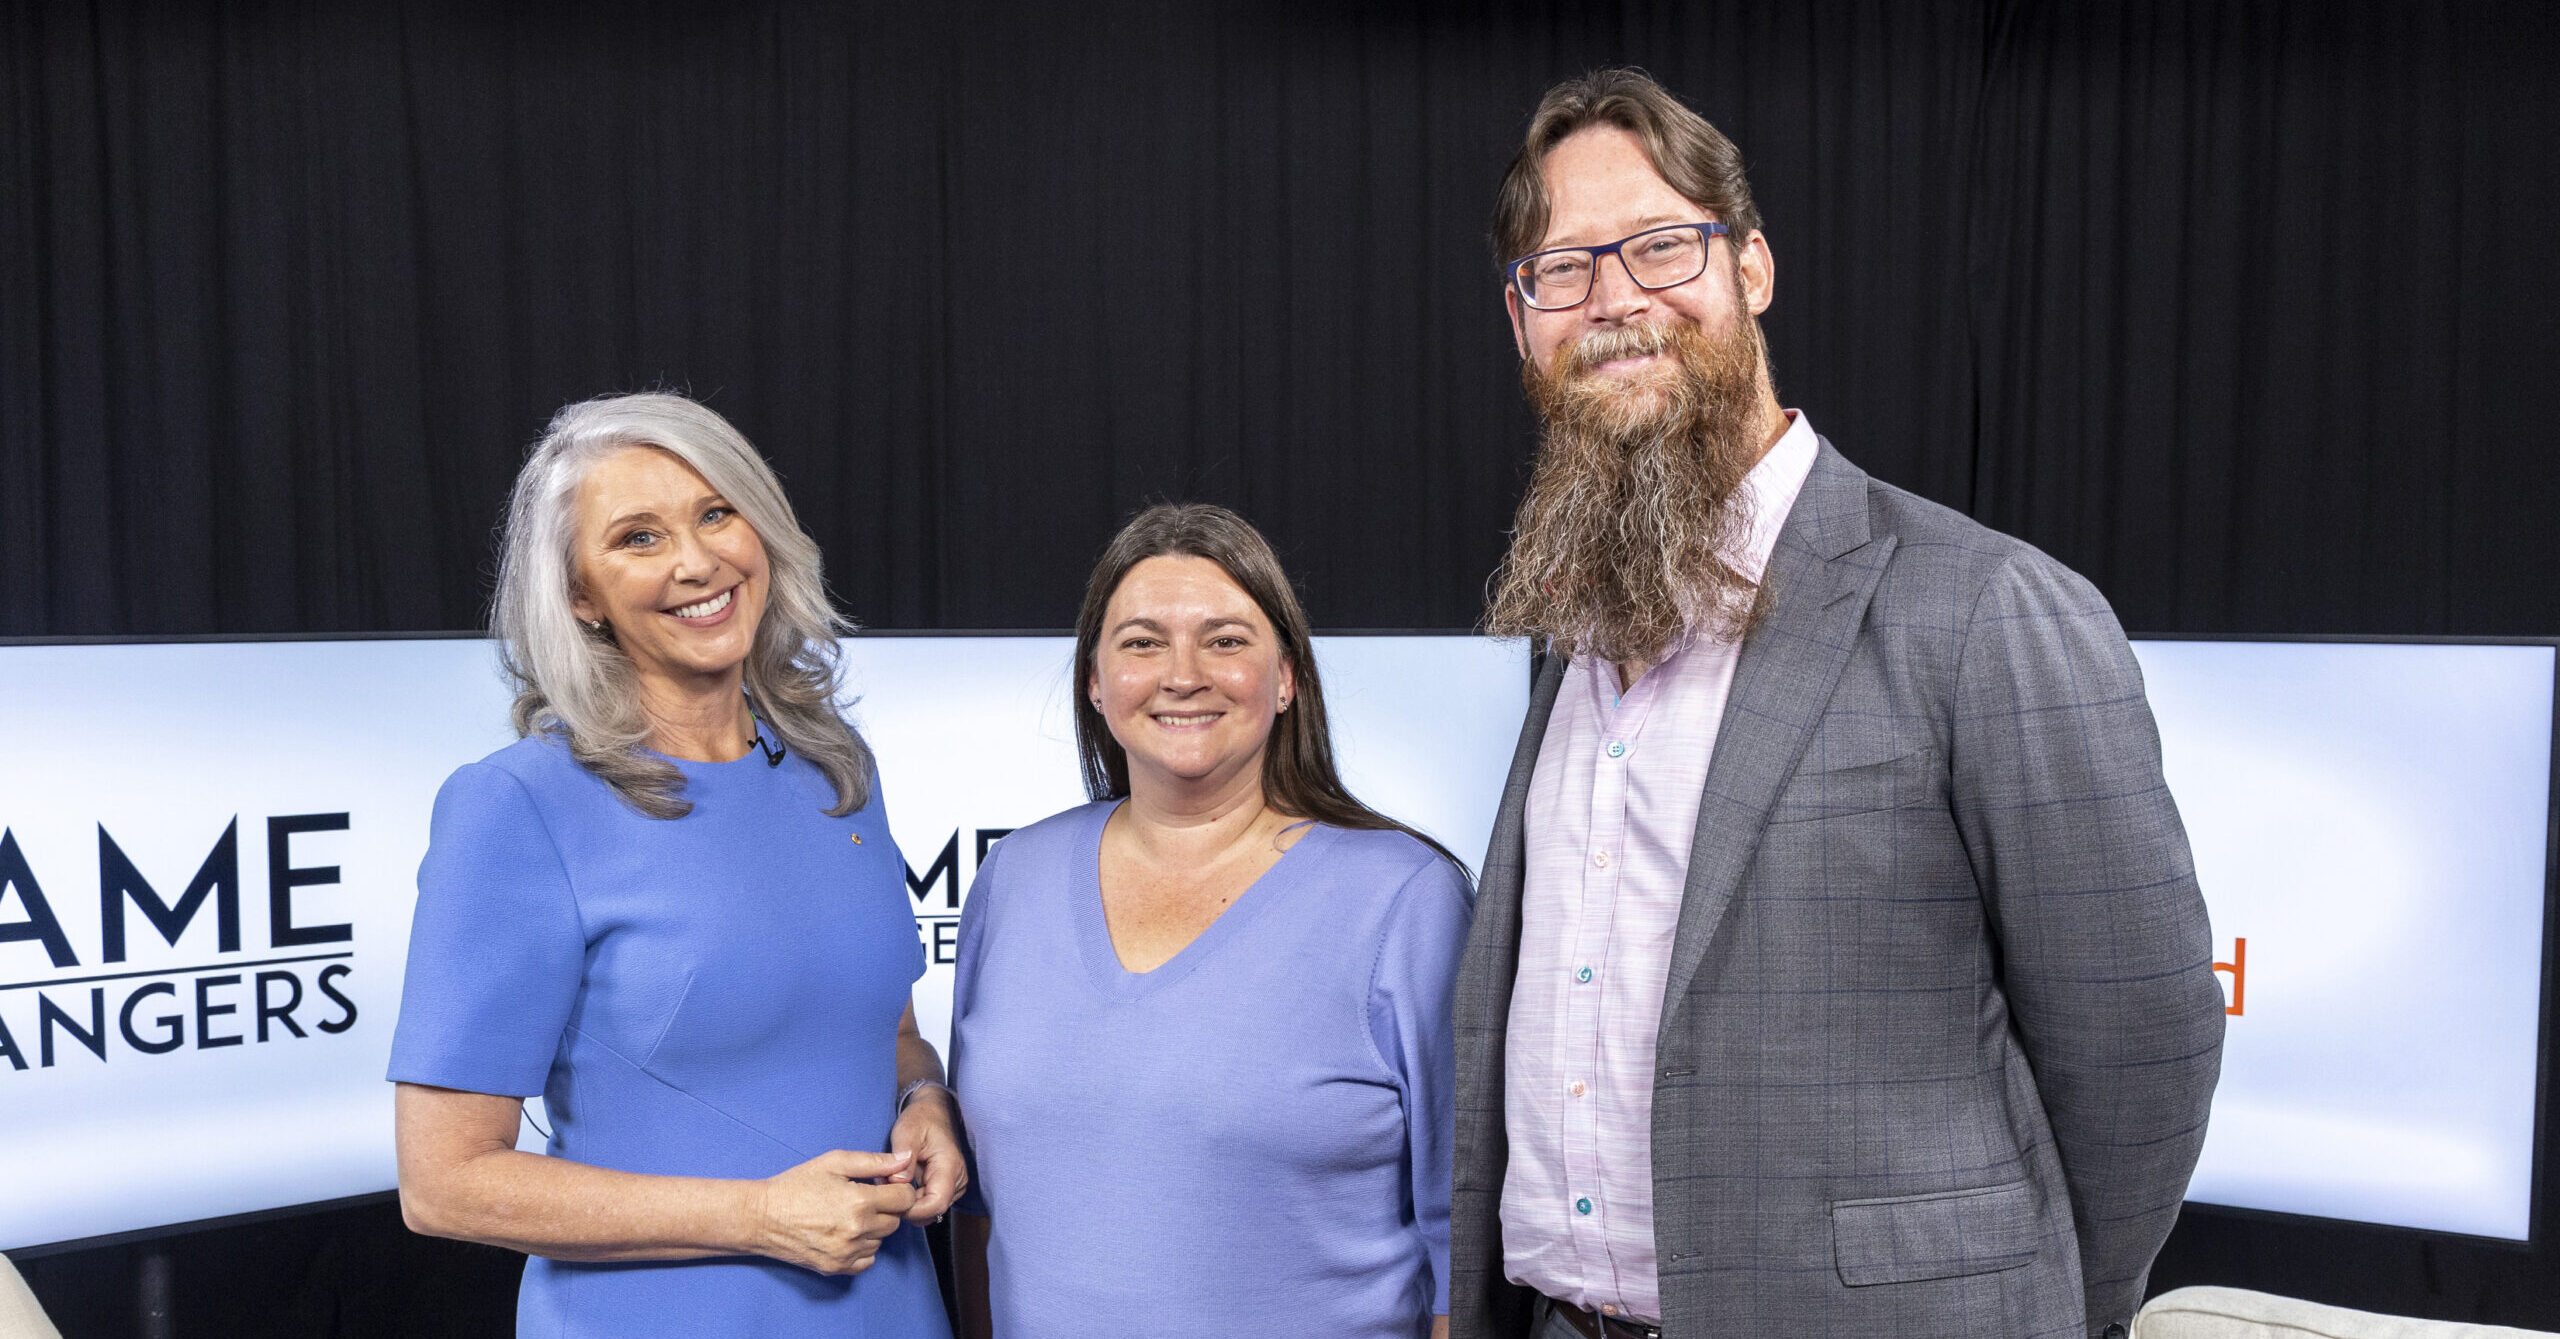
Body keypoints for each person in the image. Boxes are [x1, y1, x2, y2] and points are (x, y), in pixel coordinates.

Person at [1451, 71, 2226, 1339]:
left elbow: (2144, 1045)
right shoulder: (1573, 640)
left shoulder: (1984, 609)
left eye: (1658, 245)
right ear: (1520, 319)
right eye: (1563, 268)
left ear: (1751, 267)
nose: (1614, 300)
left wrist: (2026, 1314)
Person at [387, 392, 960, 1337]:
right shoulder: (518, 805)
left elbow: (885, 1032)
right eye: (638, 538)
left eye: (716, 513)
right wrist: (758, 1216)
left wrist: (923, 1098)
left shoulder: (834, 765)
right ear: (580, 594)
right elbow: (445, 1184)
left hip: (888, 1307)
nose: (697, 561)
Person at [947, 503, 1473, 1339]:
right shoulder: (1015, 878)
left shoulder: (1405, 899)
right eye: (1142, 641)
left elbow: (1463, 1233)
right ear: (1093, 678)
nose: (1182, 673)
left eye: (1226, 640)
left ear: (1288, 677)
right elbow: (978, 1214)